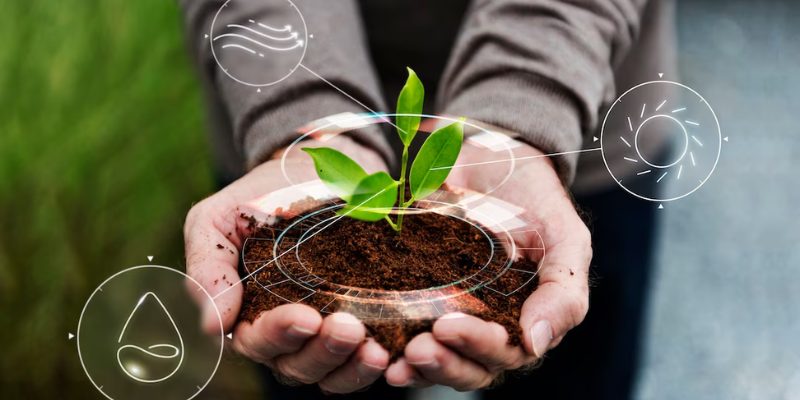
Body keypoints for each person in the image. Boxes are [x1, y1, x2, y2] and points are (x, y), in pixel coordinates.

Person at [178, 0, 674, 398]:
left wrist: (524, 108)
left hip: (573, 108)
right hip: (280, 126)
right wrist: (301, 111)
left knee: (571, 371)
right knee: (318, 358)